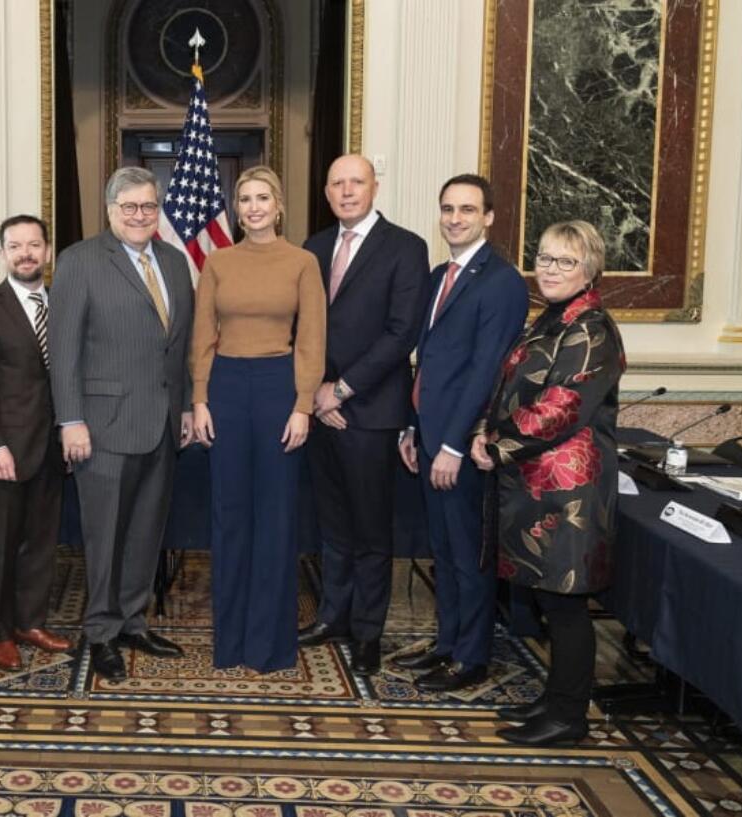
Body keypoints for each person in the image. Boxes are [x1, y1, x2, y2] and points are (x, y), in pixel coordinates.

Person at [470, 220, 625, 746]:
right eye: (544, 257)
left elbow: (561, 409)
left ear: (589, 269)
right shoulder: (551, 320)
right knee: (547, 600)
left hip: (568, 493)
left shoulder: (592, 329)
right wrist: (482, 430)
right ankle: (556, 700)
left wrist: (495, 445)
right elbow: (508, 388)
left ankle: (569, 717)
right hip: (534, 488)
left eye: (564, 261)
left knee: (565, 605)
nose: (550, 269)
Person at [49, 166, 195, 681]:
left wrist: (184, 406)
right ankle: (102, 631)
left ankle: (134, 620)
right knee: (105, 535)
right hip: (102, 426)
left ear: (159, 210)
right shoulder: (80, 261)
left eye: (149, 207)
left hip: (160, 423)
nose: (140, 216)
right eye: (129, 207)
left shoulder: (177, 263)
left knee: (145, 531)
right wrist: (70, 420)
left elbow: (180, 346)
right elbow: (63, 349)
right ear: (110, 211)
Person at [394, 175, 529, 692]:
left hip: (461, 445)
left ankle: (471, 657)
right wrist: (412, 426)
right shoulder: (438, 275)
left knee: (469, 555)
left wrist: (451, 445)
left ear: (489, 217)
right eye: (448, 208)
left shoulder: (502, 282)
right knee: (443, 551)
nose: (455, 218)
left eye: (467, 209)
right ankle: (447, 644)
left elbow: (485, 370)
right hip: (428, 435)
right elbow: (427, 361)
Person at [190, 166, 325, 672]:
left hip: (279, 389)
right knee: (229, 518)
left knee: (275, 518)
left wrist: (304, 404)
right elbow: (203, 333)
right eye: (244, 198)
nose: (253, 207)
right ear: (236, 207)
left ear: (278, 204)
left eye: (262, 197)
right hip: (224, 389)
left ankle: (269, 646)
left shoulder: (303, 262)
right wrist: (200, 397)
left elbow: (312, 338)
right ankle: (231, 645)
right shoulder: (218, 262)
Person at [299, 154, 431, 674]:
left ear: (376, 186)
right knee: (331, 526)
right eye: (337, 183)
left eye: (356, 181)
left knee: (372, 531)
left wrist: (343, 390)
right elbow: (302, 331)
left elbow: (402, 333)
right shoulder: (312, 249)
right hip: (321, 411)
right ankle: (334, 614)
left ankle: (369, 632)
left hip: (371, 412)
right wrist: (315, 394)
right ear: (327, 192)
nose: (347, 191)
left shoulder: (406, 248)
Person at [0, 215, 73, 672]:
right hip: (5, 450)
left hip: (52, 446)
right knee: (1, 545)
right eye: (16, 246)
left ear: (47, 251)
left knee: (41, 543)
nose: (26, 253)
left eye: (34, 245)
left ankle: (30, 621)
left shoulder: (64, 305)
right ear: (2, 254)